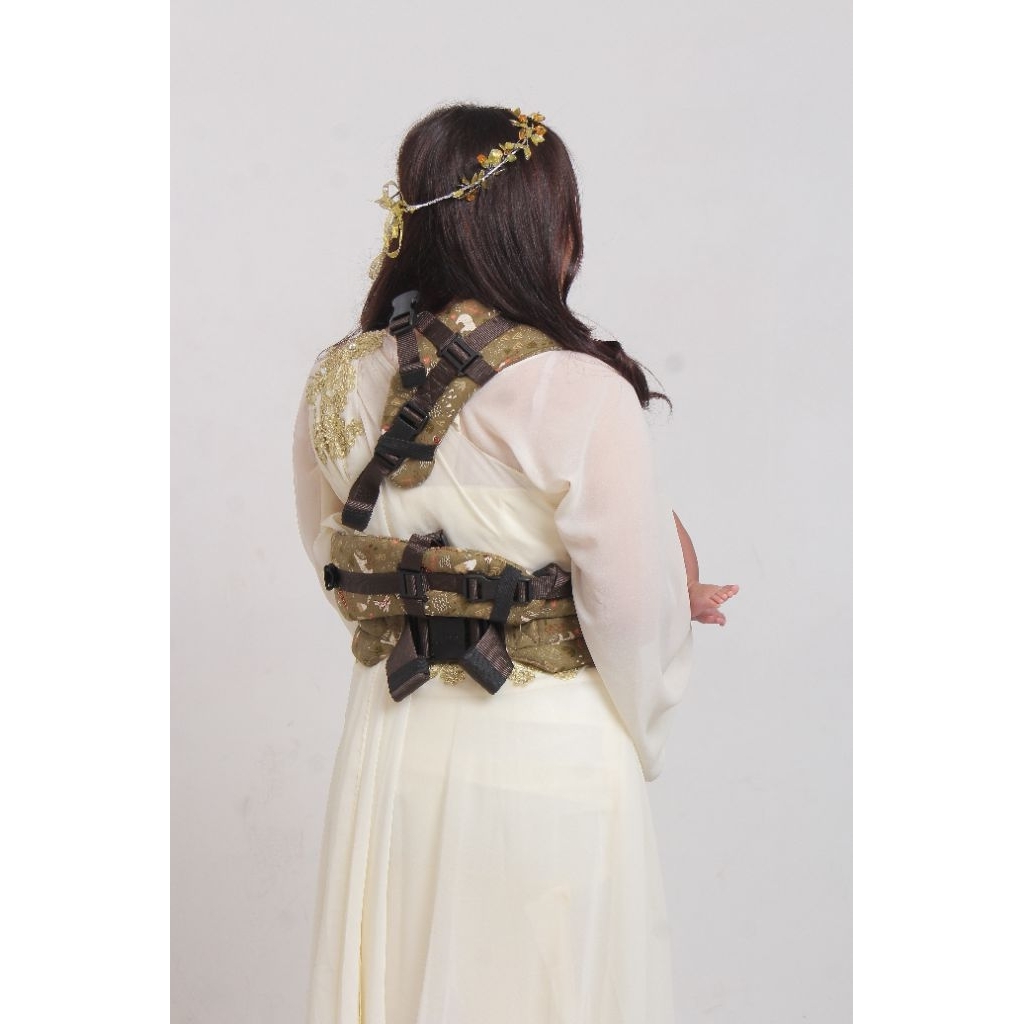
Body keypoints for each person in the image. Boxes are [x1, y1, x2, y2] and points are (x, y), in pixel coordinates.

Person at [293, 103, 738, 1024]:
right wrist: (653, 686)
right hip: (545, 756)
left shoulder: (337, 379)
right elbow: (630, 613)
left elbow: (337, 564)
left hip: (394, 746)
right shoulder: (574, 387)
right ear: (544, 230)